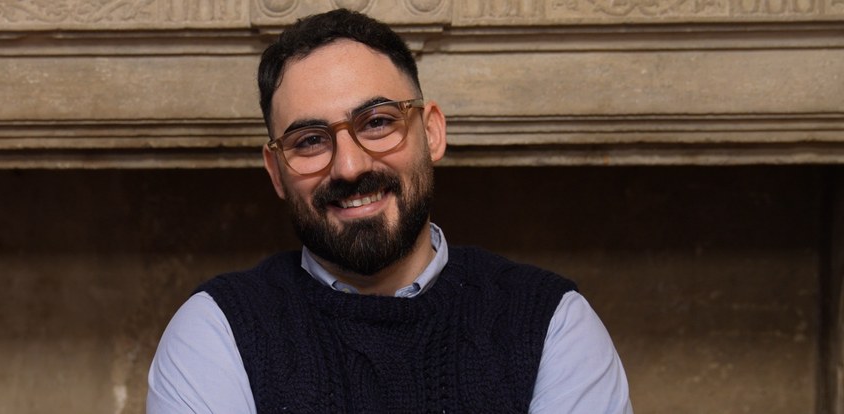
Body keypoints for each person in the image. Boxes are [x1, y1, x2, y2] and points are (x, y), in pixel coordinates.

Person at [147, 8, 631, 413]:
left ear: (432, 132)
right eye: (309, 140)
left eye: (377, 122)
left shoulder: (552, 323)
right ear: (276, 171)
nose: (350, 166)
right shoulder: (216, 331)